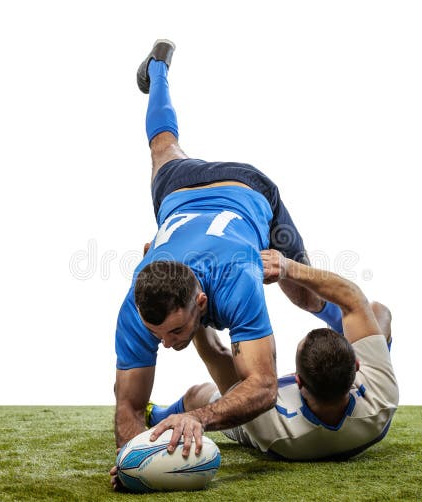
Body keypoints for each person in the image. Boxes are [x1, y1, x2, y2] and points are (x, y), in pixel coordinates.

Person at [112, 38, 348, 485]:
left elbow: (261, 385)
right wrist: (131, 461)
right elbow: (127, 406)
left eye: (177, 331)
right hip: (181, 191)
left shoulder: (238, 280)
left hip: (250, 189)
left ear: (202, 300)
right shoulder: (135, 309)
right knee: (162, 146)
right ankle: (158, 70)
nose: (165, 344)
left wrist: (199, 417)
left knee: (299, 290)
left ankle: (353, 346)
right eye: (157, 333)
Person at [147, 249, 398, 460]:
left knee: (198, 394)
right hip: (366, 424)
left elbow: (216, 353)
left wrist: (192, 305)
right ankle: (349, 351)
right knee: (378, 312)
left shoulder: (273, 426)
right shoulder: (382, 395)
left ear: (296, 380)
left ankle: (153, 415)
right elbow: (354, 300)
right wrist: (288, 267)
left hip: (266, 430)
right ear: (356, 366)